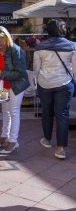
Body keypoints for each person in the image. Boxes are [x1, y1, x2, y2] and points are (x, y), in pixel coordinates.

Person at [33, 19, 76, 159]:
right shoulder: (72, 46)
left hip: (44, 83)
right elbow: (75, 69)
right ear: (63, 30)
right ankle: (61, 149)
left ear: (48, 30)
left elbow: (36, 69)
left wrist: (36, 83)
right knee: (62, 114)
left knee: (46, 112)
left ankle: (47, 140)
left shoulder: (40, 47)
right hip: (65, 84)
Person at [0, 26, 30, 154]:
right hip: (5, 84)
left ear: (6, 38)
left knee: (14, 111)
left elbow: (20, 73)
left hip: (17, 85)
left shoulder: (15, 50)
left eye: (1, 39)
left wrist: (1, 73)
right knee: (5, 111)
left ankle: (13, 141)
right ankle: (4, 136)